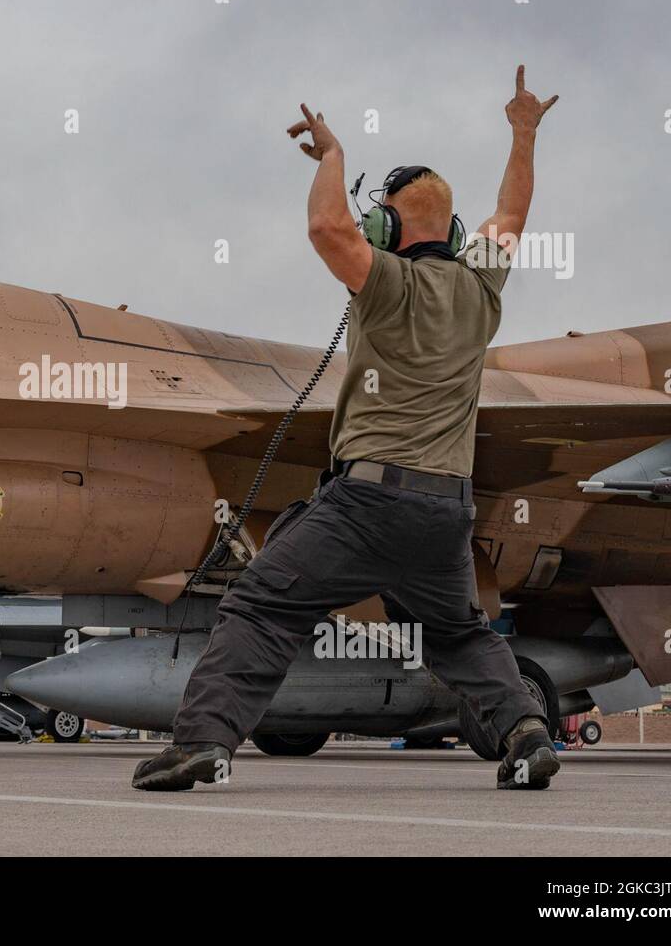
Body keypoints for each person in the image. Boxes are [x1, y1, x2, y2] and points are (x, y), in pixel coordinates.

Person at [132, 65, 560, 792]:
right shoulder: (480, 283)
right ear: (452, 231)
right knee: (458, 632)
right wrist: (523, 131)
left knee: (262, 603)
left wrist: (333, 156)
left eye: (379, 216)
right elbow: (512, 212)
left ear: (388, 226)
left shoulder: (386, 282)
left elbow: (326, 227)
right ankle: (525, 734)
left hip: (368, 504)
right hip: (445, 511)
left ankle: (203, 742)